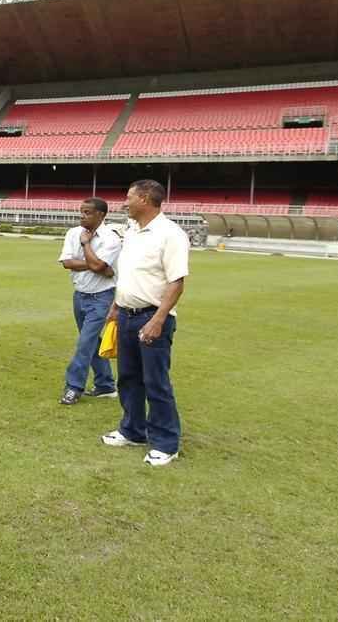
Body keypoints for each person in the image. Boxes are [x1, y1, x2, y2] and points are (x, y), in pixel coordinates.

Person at [101, 179, 190, 467]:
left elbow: (176, 282)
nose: (125, 203)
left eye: (129, 197)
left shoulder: (170, 234)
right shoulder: (133, 231)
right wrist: (116, 305)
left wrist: (158, 319)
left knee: (156, 382)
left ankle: (166, 443)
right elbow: (131, 274)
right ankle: (133, 430)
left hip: (151, 318)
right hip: (126, 314)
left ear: (145, 199)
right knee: (128, 378)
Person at [58, 197, 122, 405]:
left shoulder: (111, 239)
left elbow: (99, 266)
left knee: (85, 343)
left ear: (100, 215)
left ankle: (73, 387)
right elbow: (67, 263)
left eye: (87, 212)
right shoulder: (73, 233)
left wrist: (86, 244)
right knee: (91, 342)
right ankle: (105, 385)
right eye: (81, 211)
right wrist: (96, 265)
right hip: (79, 295)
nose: (82, 216)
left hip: (102, 296)